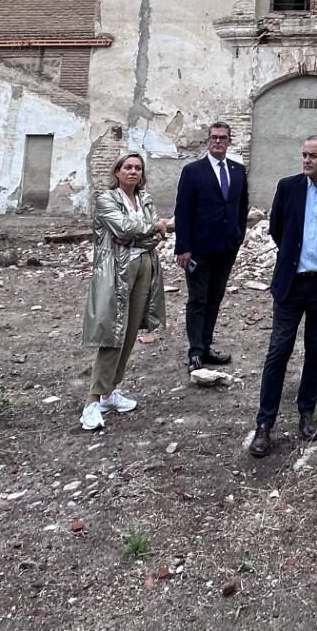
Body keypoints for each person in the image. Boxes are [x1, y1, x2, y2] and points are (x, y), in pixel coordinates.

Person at [250, 135, 317, 457]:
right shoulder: (288, 187)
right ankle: (265, 424)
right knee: (278, 350)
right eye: (304, 155)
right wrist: (294, 257)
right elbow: (276, 229)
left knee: (316, 351)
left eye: (313, 156)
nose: (307, 160)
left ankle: (307, 413)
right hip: (291, 284)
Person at [80, 153, 168, 430]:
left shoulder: (146, 199)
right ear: (117, 171)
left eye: (138, 168)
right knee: (113, 333)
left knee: (130, 331)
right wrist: (151, 228)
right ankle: (92, 401)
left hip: (143, 266)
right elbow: (123, 226)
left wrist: (140, 234)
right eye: (128, 167)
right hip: (115, 272)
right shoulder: (107, 200)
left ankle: (110, 391)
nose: (133, 171)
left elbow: (150, 236)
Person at [172, 120, 248, 374]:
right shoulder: (193, 171)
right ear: (208, 141)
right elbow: (182, 210)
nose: (218, 141)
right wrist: (183, 246)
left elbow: (241, 206)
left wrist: (239, 235)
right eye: (214, 137)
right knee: (198, 299)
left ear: (229, 141)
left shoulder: (237, 171)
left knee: (215, 298)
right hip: (199, 248)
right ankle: (195, 352)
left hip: (226, 247)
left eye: (223, 138)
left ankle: (206, 346)